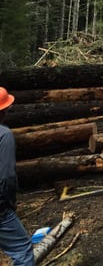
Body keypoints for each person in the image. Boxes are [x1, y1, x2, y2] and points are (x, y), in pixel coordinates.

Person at [0, 87, 36, 266]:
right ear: (4, 110)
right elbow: (7, 176)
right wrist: (9, 202)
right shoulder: (4, 135)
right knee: (22, 250)